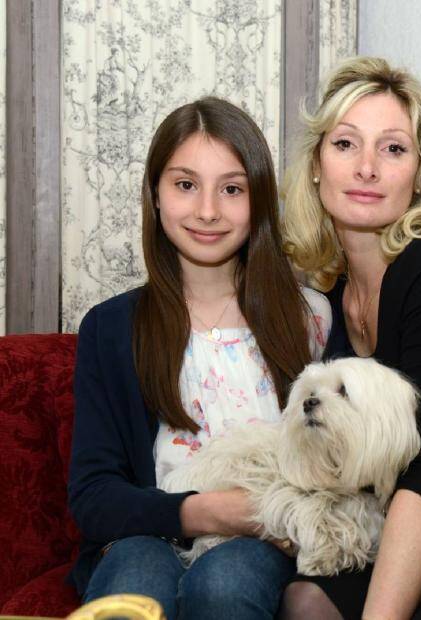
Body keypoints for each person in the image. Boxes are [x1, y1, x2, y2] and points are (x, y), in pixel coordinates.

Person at [67, 97, 331, 620]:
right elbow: (94, 496)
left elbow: (343, 462)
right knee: (136, 577)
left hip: (266, 539)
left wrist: (272, 518)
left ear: (258, 201)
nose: (208, 210)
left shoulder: (312, 319)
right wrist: (200, 510)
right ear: (156, 195)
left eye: (231, 189)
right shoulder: (113, 327)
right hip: (145, 533)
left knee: (224, 584)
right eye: (185, 184)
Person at [279, 56, 421, 619]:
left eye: (392, 149)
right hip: (394, 523)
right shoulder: (328, 292)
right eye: (345, 145)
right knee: (302, 599)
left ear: (418, 174)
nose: (367, 168)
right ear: (315, 164)